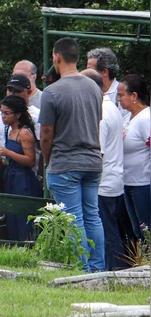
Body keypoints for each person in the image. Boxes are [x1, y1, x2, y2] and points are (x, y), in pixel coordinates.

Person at [39, 37, 104, 272]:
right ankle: (97, 269)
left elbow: (46, 133)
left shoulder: (52, 92)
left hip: (66, 162)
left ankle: (82, 270)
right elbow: (96, 124)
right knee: (93, 216)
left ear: (56, 57)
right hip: (93, 161)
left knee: (73, 218)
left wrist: (47, 161)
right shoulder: (94, 88)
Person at [82, 69, 128, 270]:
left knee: (106, 231)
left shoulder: (100, 112)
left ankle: (113, 273)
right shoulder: (112, 108)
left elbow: (97, 153)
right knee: (111, 230)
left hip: (102, 182)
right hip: (114, 179)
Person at [0, 96, 41, 241]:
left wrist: (8, 153)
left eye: (7, 113)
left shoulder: (24, 133)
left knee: (22, 216)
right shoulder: (9, 130)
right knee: (11, 216)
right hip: (11, 177)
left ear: (18, 114)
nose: (3, 116)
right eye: (2, 112)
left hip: (23, 180)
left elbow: (30, 160)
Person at [118, 74, 151, 240]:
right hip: (128, 182)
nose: (118, 99)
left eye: (121, 95)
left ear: (134, 96)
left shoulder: (146, 118)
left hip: (143, 183)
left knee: (147, 229)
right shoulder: (127, 118)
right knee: (137, 230)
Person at [0, 74, 41, 151]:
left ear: (29, 92)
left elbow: (43, 145)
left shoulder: (37, 115)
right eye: (10, 90)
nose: (12, 94)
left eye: (17, 91)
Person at [86, 48, 126, 117]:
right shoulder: (88, 92)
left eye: (90, 70)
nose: (86, 74)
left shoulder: (122, 94)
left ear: (104, 72)